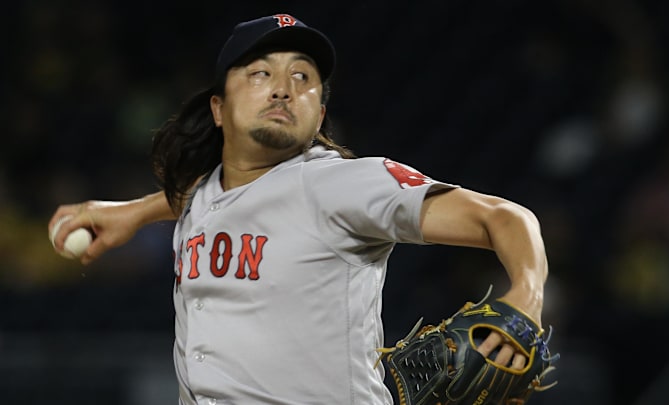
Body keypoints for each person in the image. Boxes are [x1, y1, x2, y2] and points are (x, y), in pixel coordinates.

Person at [49, 14, 549, 405]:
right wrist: (133, 212)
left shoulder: (344, 183)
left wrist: (526, 296)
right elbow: (216, 197)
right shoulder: (205, 193)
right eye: (261, 73)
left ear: (320, 114)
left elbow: (502, 217)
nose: (284, 87)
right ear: (219, 109)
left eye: (302, 76)